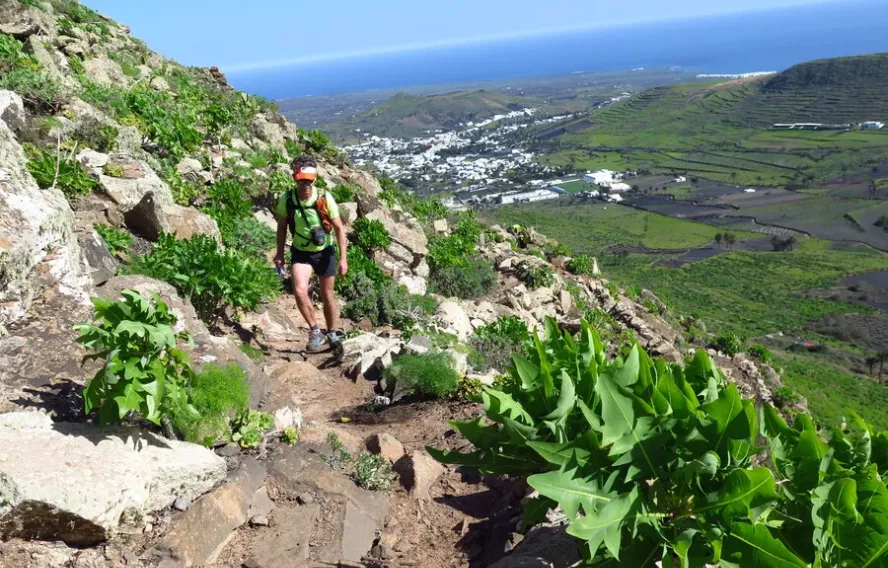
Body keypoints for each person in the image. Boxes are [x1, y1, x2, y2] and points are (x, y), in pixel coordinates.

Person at [274, 156, 348, 352]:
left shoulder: (325, 197)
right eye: (301, 179)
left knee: (327, 294)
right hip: (301, 251)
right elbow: (282, 228)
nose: (305, 184)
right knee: (299, 290)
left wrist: (343, 259)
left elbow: (339, 229)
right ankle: (315, 330)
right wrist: (279, 253)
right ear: (295, 178)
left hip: (325, 252)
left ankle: (331, 331)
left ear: (314, 179)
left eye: (309, 180)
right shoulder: (287, 199)